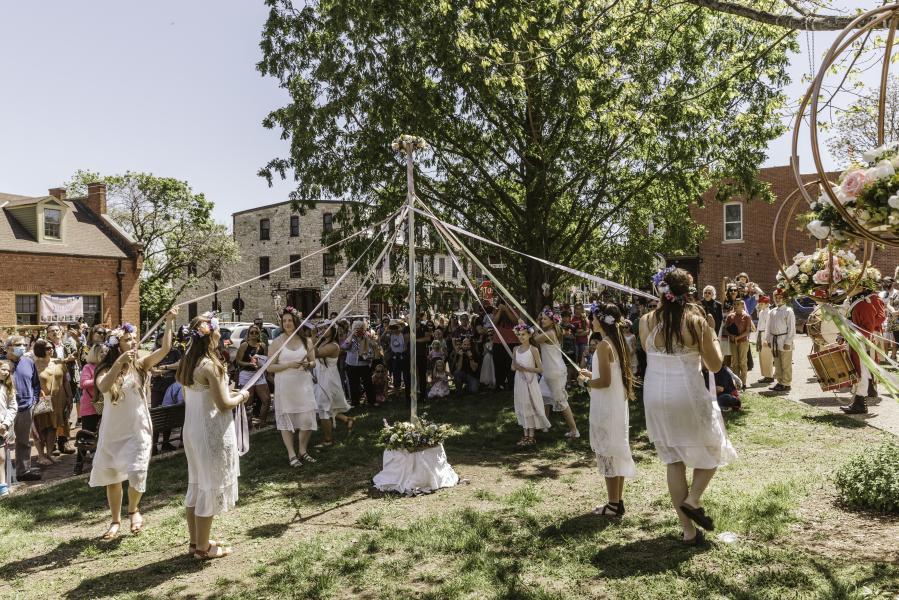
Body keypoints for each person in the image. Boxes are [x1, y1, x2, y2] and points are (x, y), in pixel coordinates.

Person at [640, 268, 736, 545]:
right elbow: (715, 365)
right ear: (689, 292)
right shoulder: (696, 322)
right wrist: (712, 333)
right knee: (715, 448)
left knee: (673, 460)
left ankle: (688, 532)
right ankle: (692, 501)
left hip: (655, 394)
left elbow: (650, 352)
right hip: (686, 392)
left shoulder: (645, 320)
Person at [90, 308, 179, 540]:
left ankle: (134, 510)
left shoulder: (140, 365)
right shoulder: (105, 368)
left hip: (138, 427)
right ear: (116, 345)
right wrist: (119, 363)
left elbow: (165, 350)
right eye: (127, 339)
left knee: (138, 470)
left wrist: (169, 321)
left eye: (133, 338)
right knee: (114, 476)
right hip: (113, 430)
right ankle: (115, 520)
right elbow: (104, 387)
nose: (132, 342)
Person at [176, 313, 251, 560]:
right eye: (219, 330)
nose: (221, 334)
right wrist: (242, 396)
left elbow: (198, 396)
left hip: (192, 430)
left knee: (197, 484)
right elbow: (223, 404)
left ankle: (197, 540)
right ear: (211, 335)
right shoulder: (211, 365)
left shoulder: (189, 362)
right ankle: (203, 549)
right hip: (210, 431)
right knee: (208, 486)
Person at [578, 303, 636, 517]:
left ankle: (612, 504)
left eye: (592, 317)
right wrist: (591, 374)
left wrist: (585, 382)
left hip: (606, 405)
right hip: (614, 403)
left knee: (608, 451)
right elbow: (607, 377)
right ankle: (617, 502)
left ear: (601, 320)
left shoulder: (603, 345)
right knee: (615, 449)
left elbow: (604, 381)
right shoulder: (616, 341)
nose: (590, 321)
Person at [268, 307, 318, 467]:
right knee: (287, 420)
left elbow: (313, 362)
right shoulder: (277, 342)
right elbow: (269, 368)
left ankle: (302, 450)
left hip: (304, 385)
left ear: (296, 321)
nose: (287, 323)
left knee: (306, 419)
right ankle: (291, 454)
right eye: (284, 321)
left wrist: (307, 364)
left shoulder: (307, 341)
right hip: (285, 386)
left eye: (290, 320)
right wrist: (288, 364)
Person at [842, 283, 886, 415]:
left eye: (851, 286)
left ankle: (861, 404)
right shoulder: (858, 302)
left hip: (860, 343)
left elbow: (867, 328)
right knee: (860, 372)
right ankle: (859, 403)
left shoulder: (864, 303)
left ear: (860, 288)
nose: (847, 289)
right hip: (855, 342)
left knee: (862, 372)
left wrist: (853, 336)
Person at [534, 310, 580, 438]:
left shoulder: (549, 333)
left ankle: (574, 430)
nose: (542, 321)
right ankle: (545, 425)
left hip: (554, 372)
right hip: (549, 371)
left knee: (561, 401)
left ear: (552, 321)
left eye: (544, 319)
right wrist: (538, 322)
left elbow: (535, 338)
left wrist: (535, 324)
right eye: (541, 319)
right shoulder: (554, 331)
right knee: (543, 395)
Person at [6, 337, 41, 481]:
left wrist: (34, 400)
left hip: (26, 408)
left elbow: (36, 384)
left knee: (24, 441)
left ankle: (23, 471)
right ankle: (5, 474)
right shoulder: (2, 363)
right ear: (8, 347)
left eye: (24, 345)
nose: (22, 347)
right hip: (6, 410)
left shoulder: (29, 362)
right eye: (18, 345)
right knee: (4, 443)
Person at [314, 323, 354, 444]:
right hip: (321, 377)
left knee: (323, 407)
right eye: (321, 328)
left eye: (325, 328)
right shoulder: (323, 342)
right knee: (326, 406)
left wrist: (313, 338)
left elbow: (316, 354)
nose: (322, 330)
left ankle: (328, 439)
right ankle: (347, 420)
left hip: (328, 379)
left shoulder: (333, 345)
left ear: (332, 331)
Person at [511, 324, 551, 446]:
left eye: (523, 334)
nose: (521, 337)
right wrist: (516, 367)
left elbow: (540, 369)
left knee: (530, 404)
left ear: (529, 334)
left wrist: (525, 368)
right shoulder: (515, 349)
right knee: (522, 403)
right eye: (519, 334)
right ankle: (525, 434)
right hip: (519, 381)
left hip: (530, 381)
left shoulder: (533, 349)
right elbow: (513, 366)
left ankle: (531, 435)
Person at [32, 339, 66, 466]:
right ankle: (41, 455)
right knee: (40, 428)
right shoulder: (34, 365)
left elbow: (65, 381)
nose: (51, 349)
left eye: (52, 347)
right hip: (40, 400)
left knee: (53, 427)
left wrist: (68, 397)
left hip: (56, 400)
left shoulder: (58, 362)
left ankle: (50, 453)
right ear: (40, 350)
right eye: (47, 348)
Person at [150, 326, 183, 453]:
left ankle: (165, 443)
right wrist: (170, 368)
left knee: (169, 415)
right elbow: (153, 372)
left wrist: (163, 367)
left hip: (171, 388)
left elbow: (180, 365)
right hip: (158, 389)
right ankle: (153, 446)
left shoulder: (175, 352)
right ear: (159, 340)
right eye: (164, 338)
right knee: (156, 416)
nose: (168, 340)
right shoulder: (155, 353)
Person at [75, 344, 106, 475]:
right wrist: (99, 380)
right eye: (102, 352)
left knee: (102, 434)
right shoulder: (89, 367)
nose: (105, 354)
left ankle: (100, 461)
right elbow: (83, 383)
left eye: (106, 352)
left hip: (104, 405)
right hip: (90, 406)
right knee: (86, 436)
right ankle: (79, 464)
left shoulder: (106, 367)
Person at [235, 324, 272, 427]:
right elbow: (238, 361)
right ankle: (247, 423)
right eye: (252, 332)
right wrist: (249, 364)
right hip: (246, 374)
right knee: (248, 400)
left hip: (259, 374)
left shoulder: (262, 346)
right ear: (248, 334)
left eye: (256, 332)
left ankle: (262, 422)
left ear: (259, 334)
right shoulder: (244, 345)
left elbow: (265, 360)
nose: (254, 334)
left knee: (266, 399)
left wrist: (262, 367)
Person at [764, 291, 795, 393]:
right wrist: (768, 339)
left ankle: (786, 383)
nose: (778, 299)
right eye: (776, 297)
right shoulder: (772, 311)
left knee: (786, 363)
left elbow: (791, 328)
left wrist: (788, 342)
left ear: (785, 298)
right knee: (777, 363)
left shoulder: (788, 311)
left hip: (784, 339)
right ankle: (780, 381)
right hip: (774, 340)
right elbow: (768, 327)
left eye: (780, 297)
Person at [342, 320, 376, 407]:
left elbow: (373, 347)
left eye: (360, 328)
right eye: (356, 328)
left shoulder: (367, 336)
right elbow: (344, 347)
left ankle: (371, 401)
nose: (358, 330)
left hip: (364, 364)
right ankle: (355, 402)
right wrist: (352, 335)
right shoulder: (350, 337)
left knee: (368, 383)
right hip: (352, 364)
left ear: (363, 329)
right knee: (353, 384)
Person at [723, 300, 752, 388]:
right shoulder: (730, 316)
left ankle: (743, 383)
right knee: (735, 363)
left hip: (743, 342)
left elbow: (747, 331)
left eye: (738, 304)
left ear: (743, 306)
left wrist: (737, 338)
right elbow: (725, 329)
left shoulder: (746, 317)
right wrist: (731, 335)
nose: (735, 306)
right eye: (734, 304)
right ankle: (737, 383)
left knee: (743, 362)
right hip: (732, 342)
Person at [0, 360, 17, 498]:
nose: (5, 372)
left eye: (8, 370)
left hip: (2, 427)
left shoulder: (8, 387)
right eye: (3, 369)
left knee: (1, 457)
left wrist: (5, 424)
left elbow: (12, 407)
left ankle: (3, 484)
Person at [755, 296, 774, 384]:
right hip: (760, 334)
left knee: (767, 357)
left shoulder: (769, 313)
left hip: (765, 335)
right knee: (762, 357)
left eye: (761, 303)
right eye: (759, 303)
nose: (760, 305)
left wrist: (767, 339)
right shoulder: (762, 312)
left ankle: (769, 376)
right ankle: (765, 375)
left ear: (767, 304)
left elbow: (769, 327)